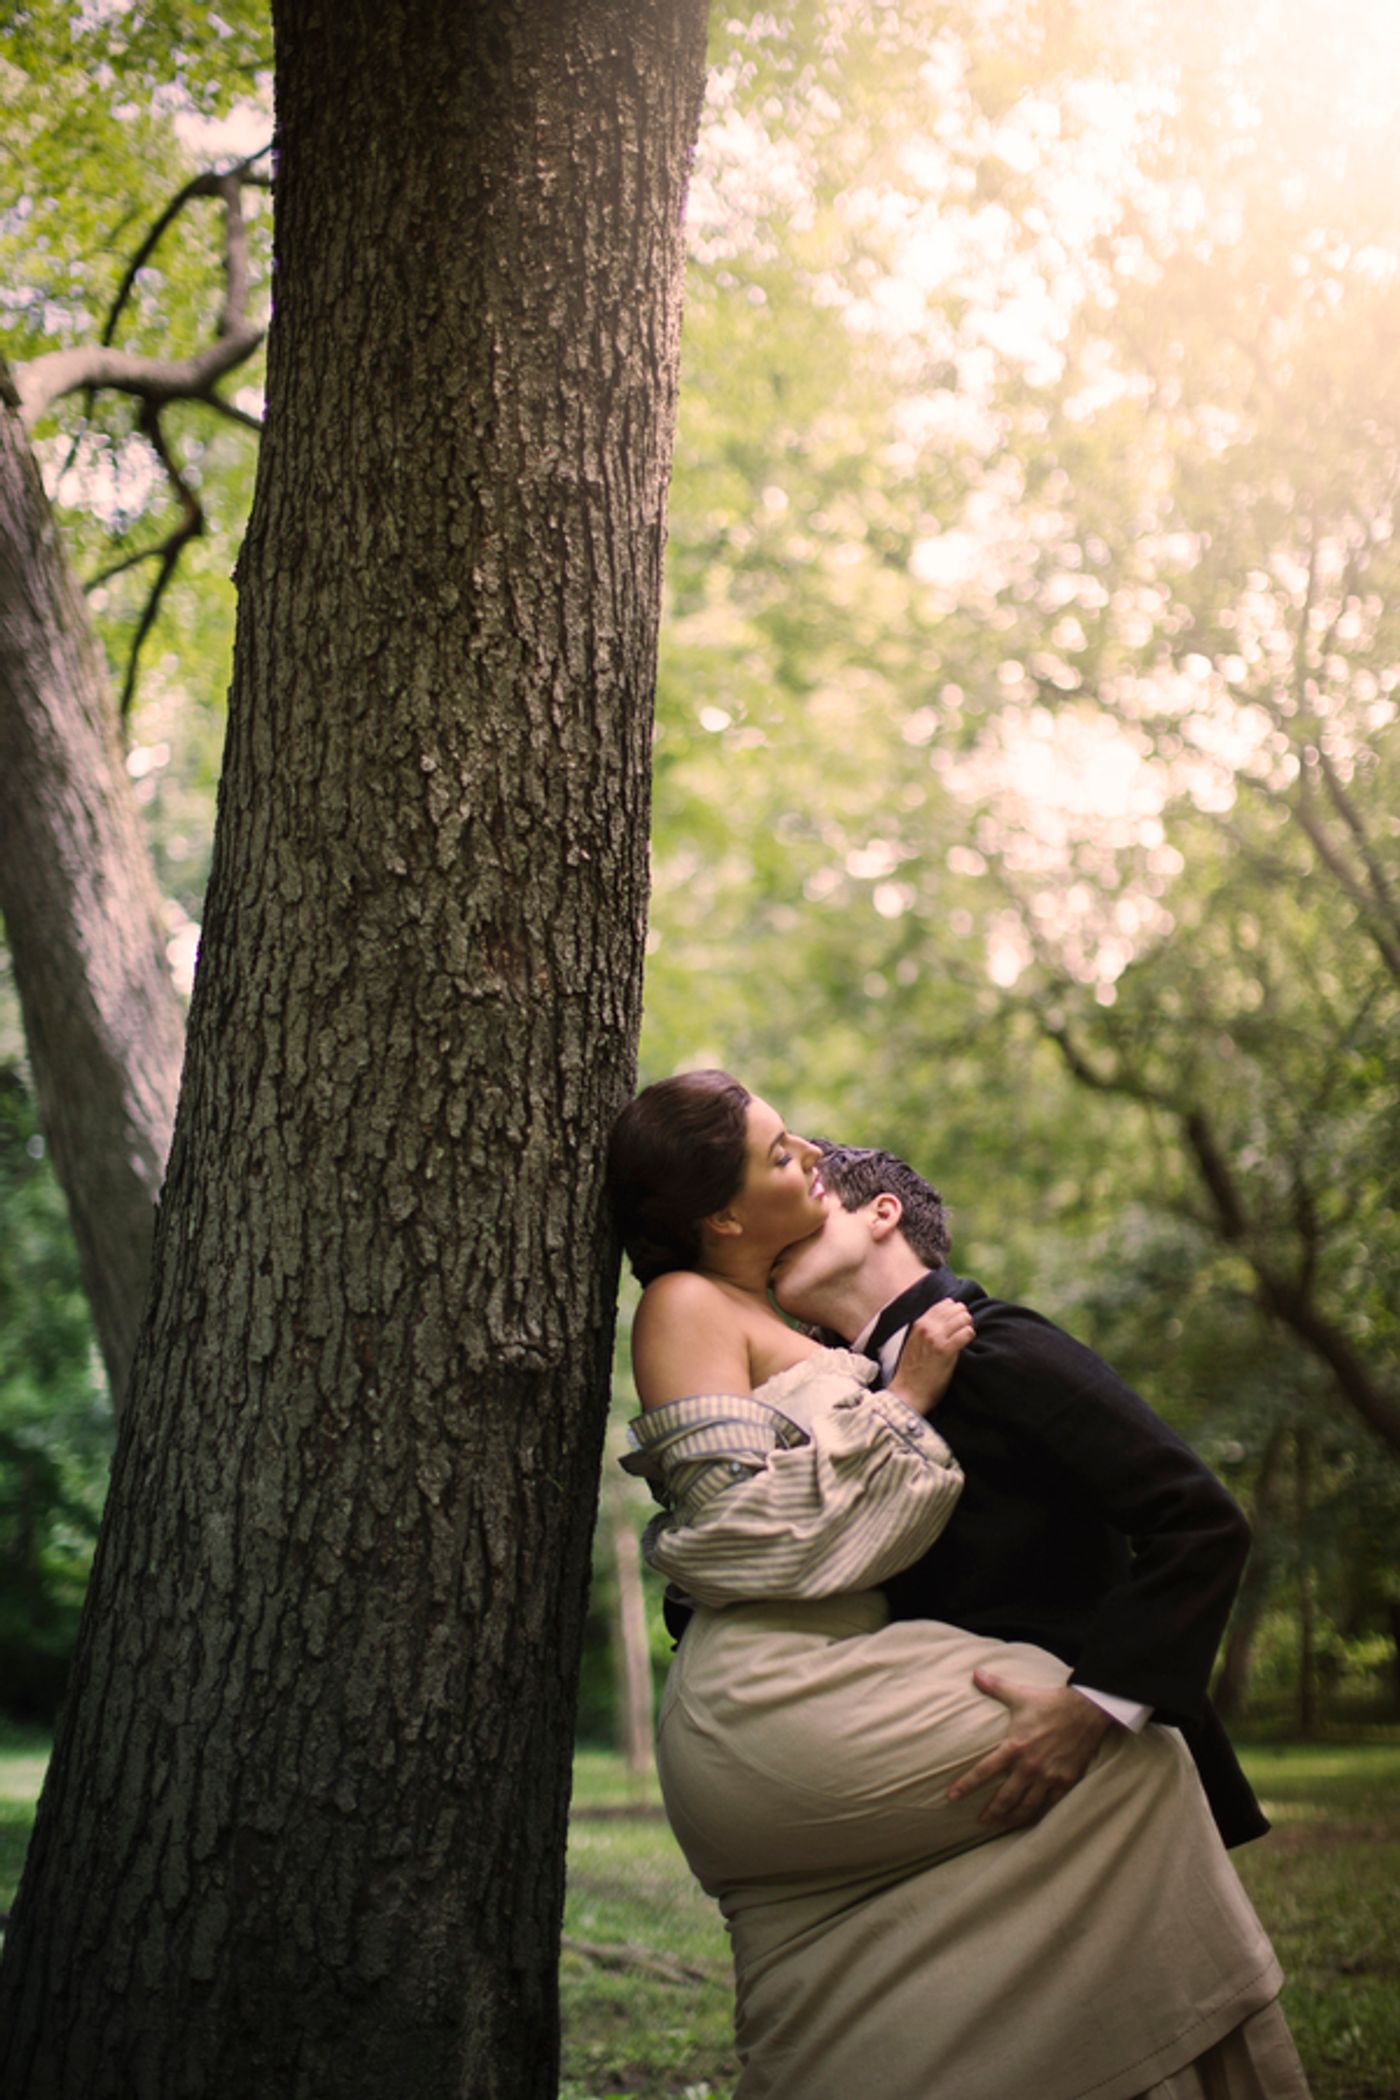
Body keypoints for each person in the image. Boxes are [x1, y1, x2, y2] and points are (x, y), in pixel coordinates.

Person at [608, 1068, 1311, 2100]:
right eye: (777, 1152)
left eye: (806, 1153)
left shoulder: (985, 1347)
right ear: (718, 1214)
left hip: (850, 1697)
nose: (804, 1157)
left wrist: (1092, 1702)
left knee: (871, 1959)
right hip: (781, 1704)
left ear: (881, 1215)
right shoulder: (732, 1319)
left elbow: (1195, 1518)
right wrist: (904, 1401)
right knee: (1134, 1758)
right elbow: (724, 1547)